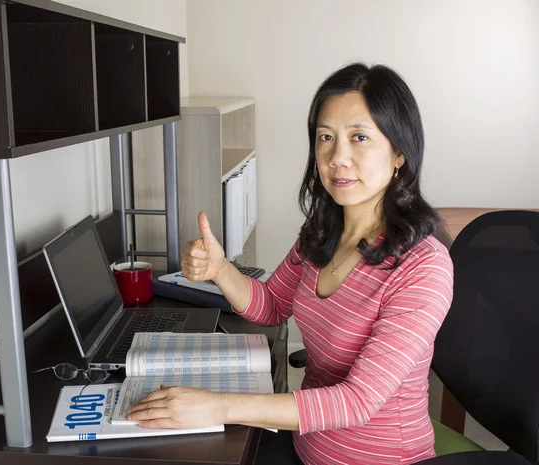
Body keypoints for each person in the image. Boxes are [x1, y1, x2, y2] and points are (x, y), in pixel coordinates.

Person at [126, 62, 454, 465]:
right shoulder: (320, 231)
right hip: (307, 447)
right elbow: (273, 307)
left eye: (360, 137)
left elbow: (356, 403)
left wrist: (218, 406)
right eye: (326, 137)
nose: (337, 157)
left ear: (399, 152)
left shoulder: (424, 267)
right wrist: (220, 269)